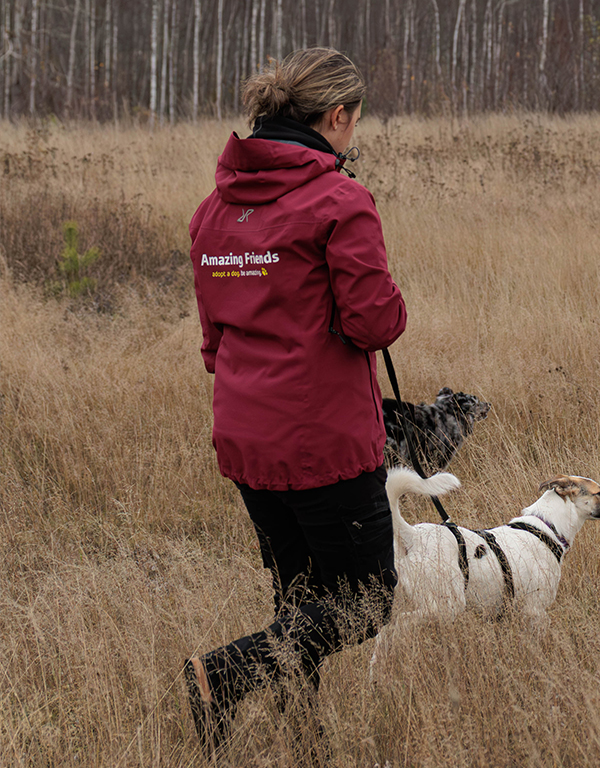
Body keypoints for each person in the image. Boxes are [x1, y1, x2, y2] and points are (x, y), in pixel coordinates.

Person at [184, 47, 406, 755]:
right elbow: (374, 324)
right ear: (337, 116)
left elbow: (214, 340)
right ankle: (221, 675)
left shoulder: (214, 210)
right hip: (323, 442)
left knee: (298, 598)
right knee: (367, 601)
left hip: (246, 437)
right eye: (355, 122)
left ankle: (305, 742)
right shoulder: (339, 201)